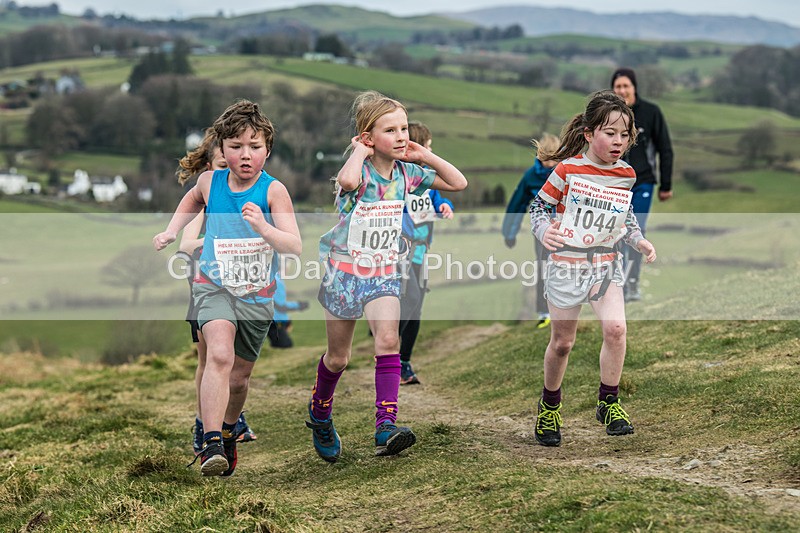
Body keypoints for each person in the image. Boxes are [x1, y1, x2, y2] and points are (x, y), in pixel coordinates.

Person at [307, 91, 467, 463]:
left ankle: (386, 424)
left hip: (383, 270)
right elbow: (346, 182)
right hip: (344, 272)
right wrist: (359, 153)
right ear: (367, 136)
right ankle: (320, 412)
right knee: (338, 358)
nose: (400, 136)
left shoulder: (407, 173)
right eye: (390, 130)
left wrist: (423, 154)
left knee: (389, 338)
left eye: (404, 128)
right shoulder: (359, 171)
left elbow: (458, 183)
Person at [154, 100, 302, 476]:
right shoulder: (210, 182)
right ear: (221, 150)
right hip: (213, 286)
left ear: (267, 149)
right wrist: (173, 231)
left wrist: (264, 229)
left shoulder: (273, 191)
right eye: (236, 147)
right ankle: (211, 442)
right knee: (218, 356)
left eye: (254, 147)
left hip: (255, 295)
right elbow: (190, 199)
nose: (245, 155)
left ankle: (229, 430)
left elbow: (294, 245)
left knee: (239, 379)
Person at [528, 90, 657, 447]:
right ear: (588, 134)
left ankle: (609, 402)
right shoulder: (567, 170)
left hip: (605, 266)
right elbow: (538, 208)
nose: (619, 141)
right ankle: (550, 406)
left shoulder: (627, 174)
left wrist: (638, 240)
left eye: (625, 135)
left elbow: (625, 217)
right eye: (610, 133)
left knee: (616, 329)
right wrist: (545, 231)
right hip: (566, 267)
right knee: (563, 343)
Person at [175, 128, 258, 455]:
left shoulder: (248, 194)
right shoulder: (205, 200)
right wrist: (220, 242)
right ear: (209, 168)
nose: (230, 171)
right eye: (221, 166)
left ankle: (231, 418)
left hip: (243, 282)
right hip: (205, 280)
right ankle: (203, 424)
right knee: (210, 358)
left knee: (237, 361)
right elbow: (185, 245)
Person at [397, 121, 454, 385]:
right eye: (428, 146)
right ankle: (387, 352)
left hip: (421, 251)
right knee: (410, 299)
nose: (430, 151)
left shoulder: (428, 179)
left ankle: (404, 362)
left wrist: (445, 207)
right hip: (400, 251)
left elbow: (439, 199)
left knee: (416, 307)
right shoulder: (399, 179)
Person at [610, 67, 673, 302]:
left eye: (626, 86)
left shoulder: (651, 112)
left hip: (643, 182)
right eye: (618, 87)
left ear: (634, 87)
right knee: (615, 234)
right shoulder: (609, 114)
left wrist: (665, 185)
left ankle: (632, 286)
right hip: (614, 186)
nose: (622, 90)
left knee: (635, 231)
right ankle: (618, 285)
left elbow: (665, 149)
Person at [502, 133, 559, 329]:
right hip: (542, 232)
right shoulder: (531, 177)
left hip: (565, 230)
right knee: (544, 268)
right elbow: (516, 205)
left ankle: (566, 311)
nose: (550, 164)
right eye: (546, 159)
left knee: (566, 269)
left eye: (554, 159)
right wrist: (509, 233)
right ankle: (544, 313)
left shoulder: (567, 173)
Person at [267, 275, 309, 348]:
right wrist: (299, 305)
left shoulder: (273, 277)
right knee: (285, 346)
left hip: (272, 320)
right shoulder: (276, 280)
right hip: (275, 322)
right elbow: (280, 306)